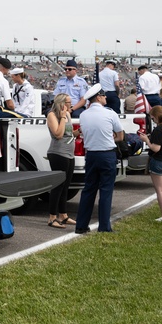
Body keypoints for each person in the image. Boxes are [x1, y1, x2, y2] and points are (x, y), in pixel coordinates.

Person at [74, 85, 124, 233]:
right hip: (107, 153)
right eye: (103, 96)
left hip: (91, 155)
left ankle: (81, 225)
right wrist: (108, 139)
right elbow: (120, 136)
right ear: (98, 97)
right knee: (106, 191)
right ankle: (104, 227)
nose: (106, 98)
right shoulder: (110, 114)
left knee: (88, 190)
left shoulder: (83, 115)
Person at [45, 93, 77, 228]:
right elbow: (58, 134)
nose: (71, 105)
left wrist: (79, 131)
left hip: (69, 154)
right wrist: (63, 117)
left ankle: (63, 215)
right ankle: (52, 217)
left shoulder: (68, 115)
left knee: (66, 186)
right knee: (58, 186)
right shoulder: (53, 115)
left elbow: (69, 133)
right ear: (62, 104)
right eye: (68, 103)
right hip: (58, 154)